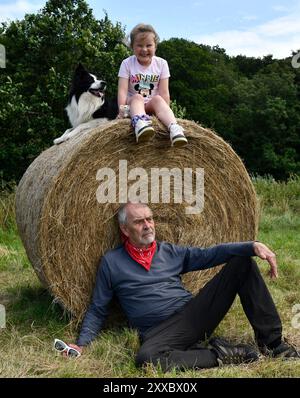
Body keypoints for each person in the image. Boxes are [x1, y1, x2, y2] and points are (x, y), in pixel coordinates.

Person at [67, 202, 299, 371]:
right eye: (139, 221)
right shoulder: (111, 262)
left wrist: (251, 245)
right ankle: (222, 354)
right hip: (158, 331)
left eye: (150, 219)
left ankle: (273, 344)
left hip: (193, 316)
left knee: (241, 263)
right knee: (146, 359)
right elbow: (98, 308)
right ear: (125, 230)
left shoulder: (170, 252)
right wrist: (82, 344)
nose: (147, 225)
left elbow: (210, 254)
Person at [117, 23, 188, 147]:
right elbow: (122, 90)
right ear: (132, 46)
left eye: (149, 45)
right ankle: (140, 124)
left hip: (151, 106)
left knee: (158, 99)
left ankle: (174, 128)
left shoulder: (162, 64)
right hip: (131, 106)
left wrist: (164, 112)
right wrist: (122, 110)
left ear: (155, 46)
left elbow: (164, 92)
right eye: (139, 45)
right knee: (137, 97)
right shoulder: (127, 63)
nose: (144, 50)